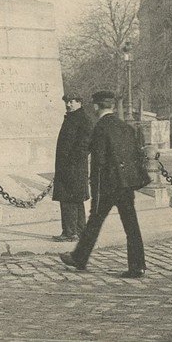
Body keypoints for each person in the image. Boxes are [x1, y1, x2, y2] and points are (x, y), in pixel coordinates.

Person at [60, 90, 149, 279]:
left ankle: (79, 258)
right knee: (131, 225)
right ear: (113, 106)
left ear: (95, 106)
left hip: (108, 186)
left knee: (94, 222)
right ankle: (138, 265)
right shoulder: (125, 127)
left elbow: (98, 163)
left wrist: (96, 190)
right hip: (126, 185)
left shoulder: (100, 128)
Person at [52, 92, 93, 242]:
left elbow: (85, 145)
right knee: (74, 200)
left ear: (80, 102)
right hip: (68, 167)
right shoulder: (71, 118)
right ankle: (77, 231)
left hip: (74, 168)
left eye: (72, 101)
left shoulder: (83, 120)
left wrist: (71, 164)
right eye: (67, 102)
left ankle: (71, 232)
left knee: (71, 200)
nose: (68, 104)